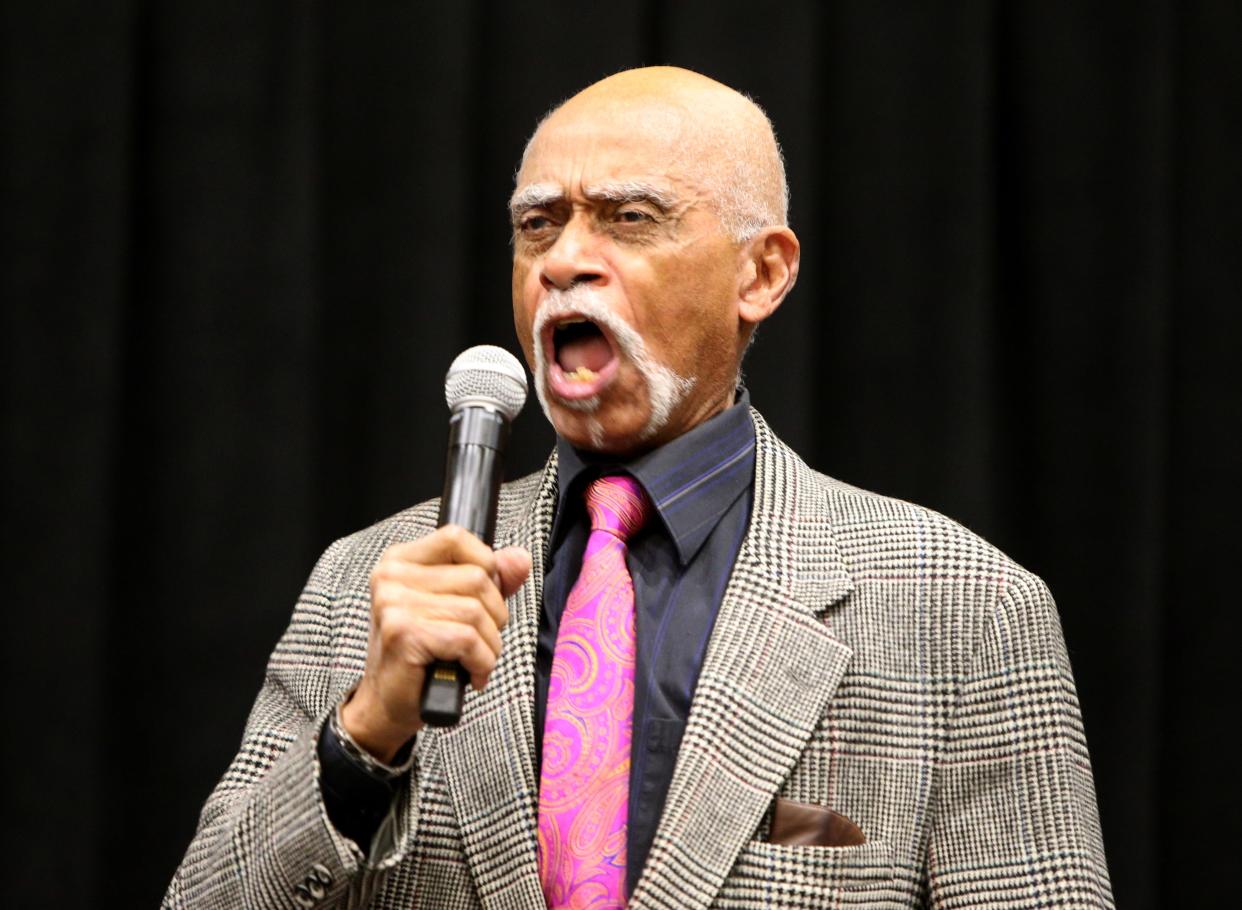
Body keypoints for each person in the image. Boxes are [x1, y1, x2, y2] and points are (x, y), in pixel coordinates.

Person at [165, 66, 1113, 909]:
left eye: (629, 218)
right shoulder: (367, 586)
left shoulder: (961, 605)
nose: (565, 259)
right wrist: (365, 736)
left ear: (763, 273)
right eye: (538, 224)